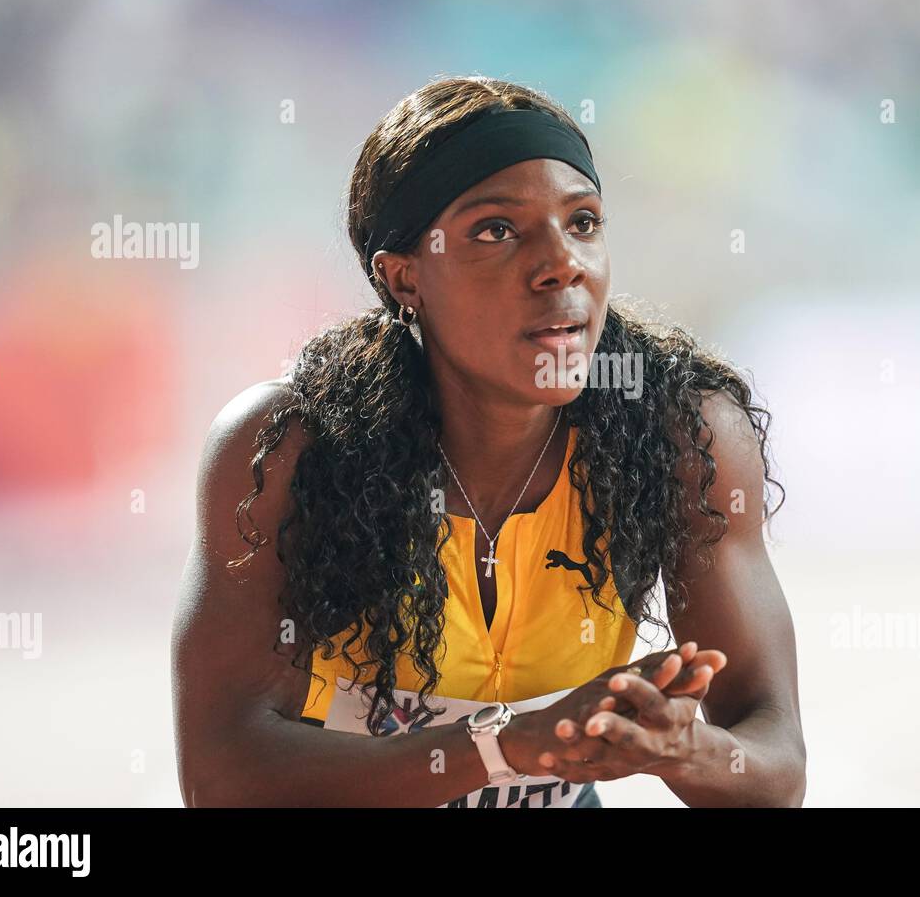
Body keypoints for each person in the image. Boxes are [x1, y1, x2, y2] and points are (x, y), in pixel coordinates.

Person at [172, 75, 806, 807]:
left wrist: (688, 750)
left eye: (584, 223)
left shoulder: (684, 439)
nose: (562, 262)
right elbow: (222, 778)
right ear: (404, 276)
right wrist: (504, 745)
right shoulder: (289, 451)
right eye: (496, 231)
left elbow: (775, 770)